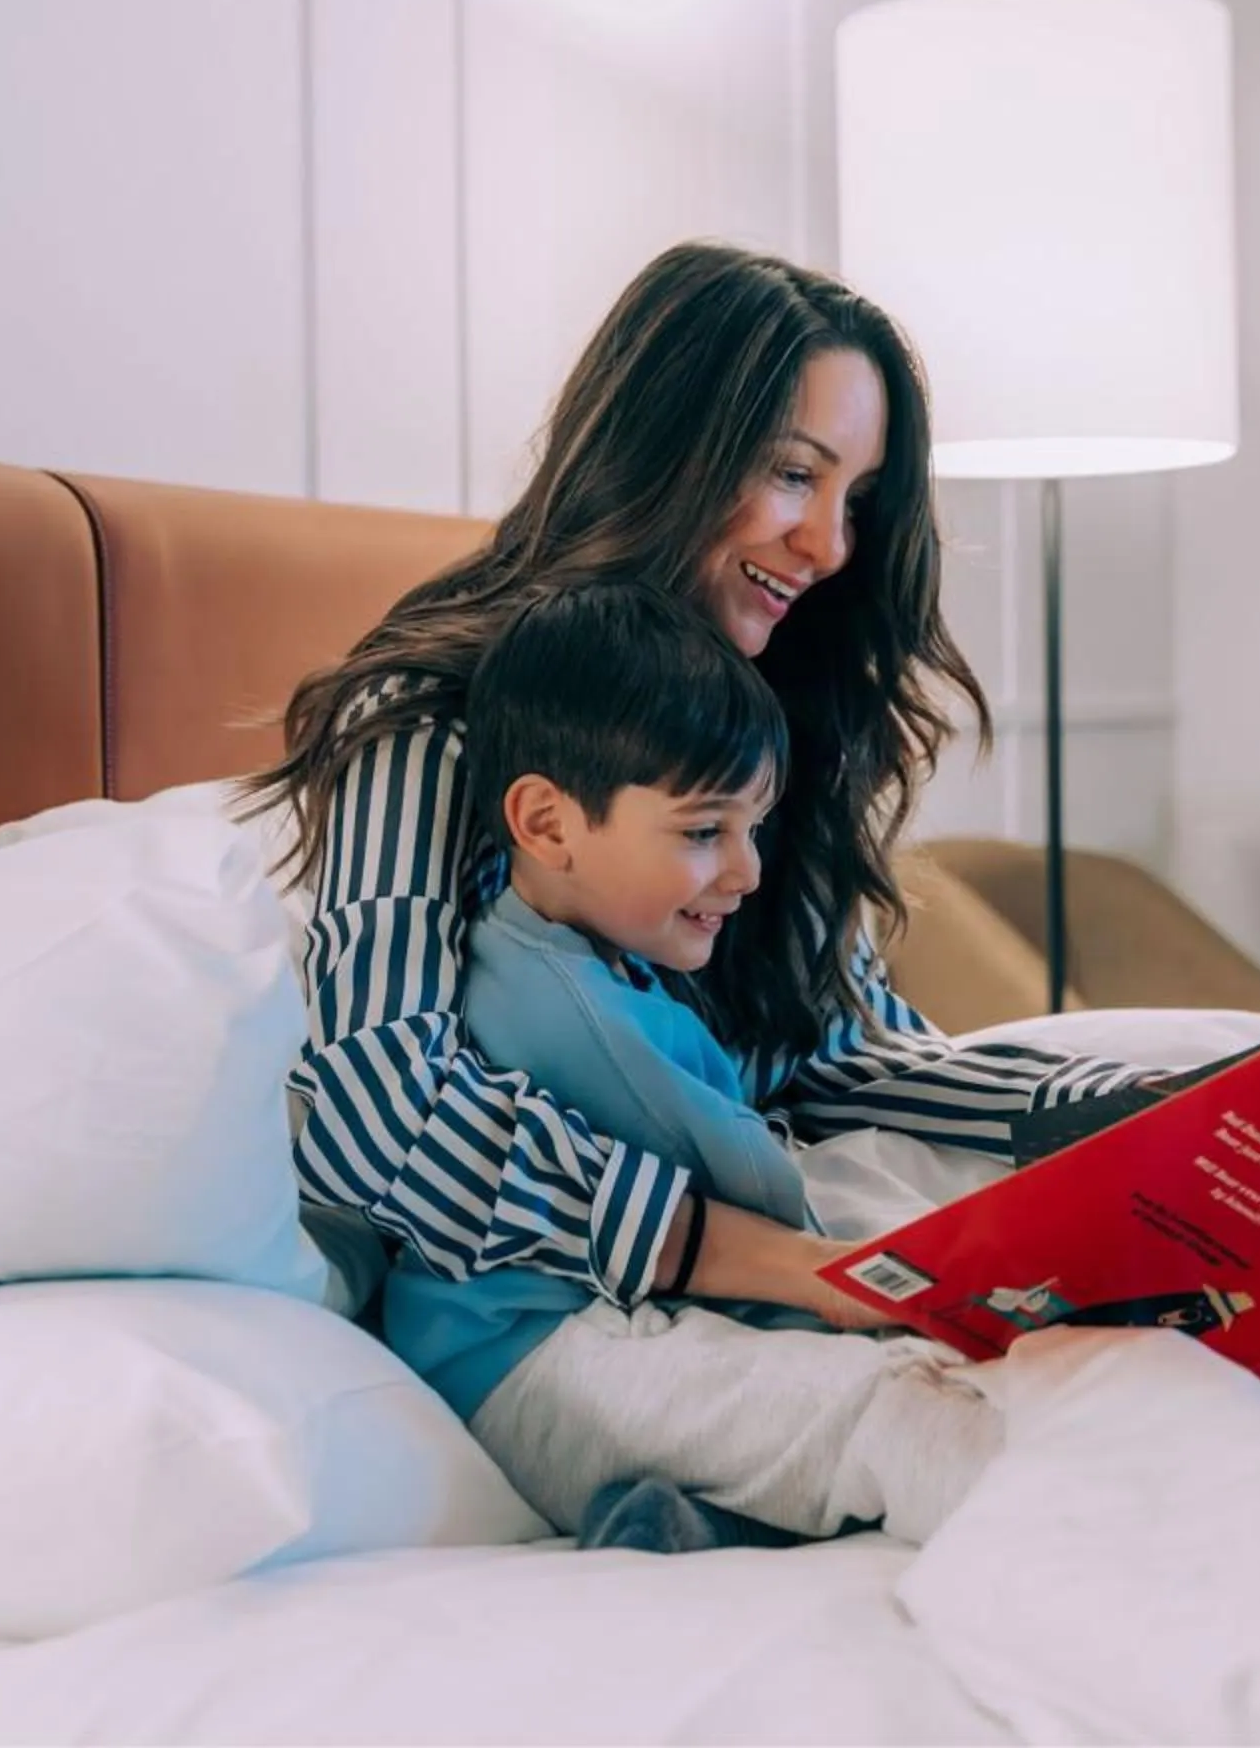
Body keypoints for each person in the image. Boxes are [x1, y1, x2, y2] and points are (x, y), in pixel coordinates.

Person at [246, 240, 1126, 1540]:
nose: (829, 545)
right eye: (791, 472)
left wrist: (1107, 1115)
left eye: (858, 498)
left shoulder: (763, 720)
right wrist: (742, 1252)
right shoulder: (437, 725)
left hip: (749, 1240)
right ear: (666, 448)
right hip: (541, 1306)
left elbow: (846, 1054)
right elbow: (377, 1107)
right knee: (960, 1423)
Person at [386, 580, 1020, 1545]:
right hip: (530, 1356)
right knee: (904, 1408)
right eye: (701, 833)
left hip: (602, 1319)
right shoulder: (571, 1014)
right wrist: (899, 1307)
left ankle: (697, 1525)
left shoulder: (578, 950)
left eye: (752, 828)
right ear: (548, 824)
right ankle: (1046, 1548)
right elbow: (759, 1201)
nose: (747, 871)